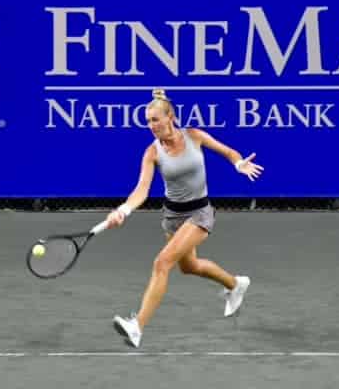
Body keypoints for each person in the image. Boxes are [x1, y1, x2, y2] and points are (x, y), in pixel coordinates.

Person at [106, 88, 264, 348]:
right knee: (189, 267)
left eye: (155, 119)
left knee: (162, 263)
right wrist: (123, 209)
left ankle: (137, 326)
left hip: (200, 212)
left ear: (171, 117)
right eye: (147, 121)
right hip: (172, 216)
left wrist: (238, 164)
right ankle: (235, 284)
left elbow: (228, 152)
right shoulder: (152, 152)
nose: (151, 126)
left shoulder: (194, 136)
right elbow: (141, 190)